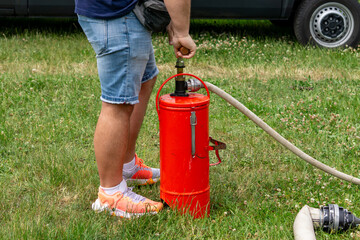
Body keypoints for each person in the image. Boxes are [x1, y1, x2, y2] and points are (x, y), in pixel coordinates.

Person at [75, 0, 196, 218]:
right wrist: (181, 31)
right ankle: (111, 194)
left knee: (145, 79)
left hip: (114, 10)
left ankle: (126, 167)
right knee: (118, 103)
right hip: (117, 15)